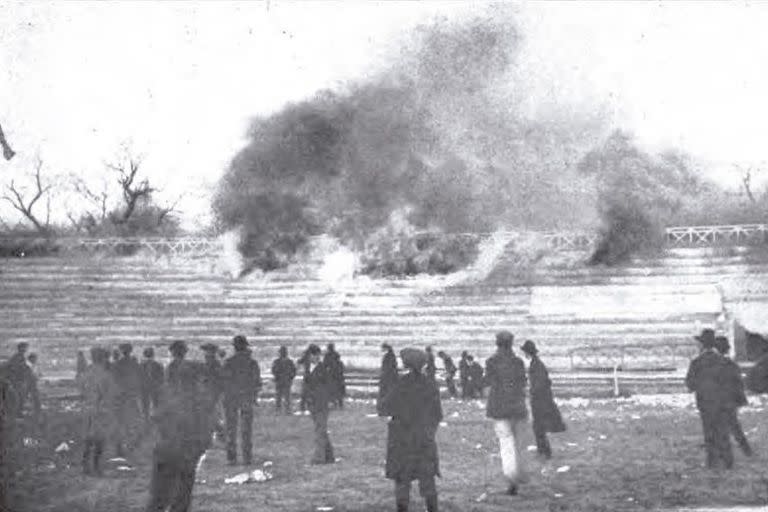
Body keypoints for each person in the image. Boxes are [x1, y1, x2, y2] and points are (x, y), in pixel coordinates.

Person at [145, 360, 215, 512]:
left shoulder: (168, 396)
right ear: (197, 379)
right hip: (187, 454)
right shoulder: (202, 400)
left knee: (158, 496)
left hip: (165, 451)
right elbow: (207, 432)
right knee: (182, 496)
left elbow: (155, 418)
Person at [381, 348, 442, 512]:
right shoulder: (430, 385)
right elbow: (438, 414)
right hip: (424, 440)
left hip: (402, 440)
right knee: (428, 479)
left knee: (402, 480)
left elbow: (384, 407)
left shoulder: (400, 385)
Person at [686, 328, 737, 470]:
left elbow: (690, 384)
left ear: (702, 345)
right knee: (723, 431)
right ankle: (728, 461)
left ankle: (712, 461)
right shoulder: (724, 361)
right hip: (722, 402)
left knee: (709, 431)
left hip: (705, 403)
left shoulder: (696, 362)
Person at [484, 331, 528, 496]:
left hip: (499, 408)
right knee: (518, 443)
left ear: (497, 343)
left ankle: (511, 477)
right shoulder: (518, 362)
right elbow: (523, 382)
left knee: (506, 443)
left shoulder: (491, 362)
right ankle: (519, 473)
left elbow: (487, 381)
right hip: (517, 406)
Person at [521, 340, 565, 459]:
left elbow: (540, 384)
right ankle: (543, 451)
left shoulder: (536, 365)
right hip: (540, 399)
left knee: (539, 426)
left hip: (540, 401)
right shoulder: (536, 364)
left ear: (527, 352)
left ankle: (545, 452)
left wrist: (532, 392)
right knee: (538, 427)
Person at [221, 335, 261, 465]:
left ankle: (231, 458)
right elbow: (257, 382)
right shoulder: (252, 363)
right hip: (246, 397)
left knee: (231, 429)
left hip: (231, 398)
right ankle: (247, 457)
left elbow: (224, 381)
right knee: (246, 429)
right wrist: (253, 395)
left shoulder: (229, 362)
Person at [80, 347, 117, 476]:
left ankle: (85, 466)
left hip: (87, 408)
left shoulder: (86, 373)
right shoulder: (106, 375)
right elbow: (111, 394)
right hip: (101, 410)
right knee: (100, 439)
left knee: (87, 439)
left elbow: (81, 390)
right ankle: (97, 467)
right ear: (102, 358)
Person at [714, 335, 752, 457]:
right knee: (734, 426)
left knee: (720, 427)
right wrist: (741, 400)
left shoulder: (711, 365)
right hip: (729, 401)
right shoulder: (731, 365)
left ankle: (723, 453)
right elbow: (738, 384)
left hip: (716, 400)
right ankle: (746, 450)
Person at [304, 344, 335, 464]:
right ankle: (329, 456)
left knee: (320, 430)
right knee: (320, 429)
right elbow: (306, 386)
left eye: (317, 355)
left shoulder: (323, 369)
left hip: (322, 403)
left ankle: (319, 457)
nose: (315, 358)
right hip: (312, 403)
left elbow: (329, 386)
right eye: (313, 355)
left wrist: (330, 401)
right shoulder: (308, 368)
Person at [112, 343, 142, 457]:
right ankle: (131, 446)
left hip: (121, 397)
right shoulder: (135, 364)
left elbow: (114, 382)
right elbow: (139, 380)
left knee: (120, 423)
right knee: (133, 422)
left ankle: (120, 447)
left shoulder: (117, 364)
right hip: (132, 397)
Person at [4, 342, 32, 417]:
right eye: (24, 348)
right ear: (20, 348)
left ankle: (17, 412)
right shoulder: (18, 357)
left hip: (18, 380)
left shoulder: (19, 357)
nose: (25, 349)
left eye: (25, 348)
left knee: (19, 396)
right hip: (17, 380)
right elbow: (14, 368)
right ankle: (17, 413)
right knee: (19, 397)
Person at [140, 348, 164, 421]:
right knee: (155, 402)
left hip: (145, 387)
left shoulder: (141, 365)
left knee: (145, 403)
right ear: (153, 355)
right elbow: (161, 377)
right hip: (154, 387)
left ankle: (146, 417)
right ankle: (154, 416)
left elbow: (139, 377)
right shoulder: (158, 365)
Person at [271, 346, 297, 415]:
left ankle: (280, 410)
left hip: (281, 381)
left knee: (281, 396)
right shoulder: (289, 362)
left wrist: (277, 376)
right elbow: (294, 371)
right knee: (285, 396)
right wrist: (290, 377)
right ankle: (286, 410)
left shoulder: (277, 361)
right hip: (285, 381)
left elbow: (273, 370)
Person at [378, 343, 399, 416]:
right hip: (390, 380)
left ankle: (384, 410)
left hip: (387, 380)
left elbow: (387, 369)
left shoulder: (388, 356)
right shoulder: (391, 356)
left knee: (385, 395)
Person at [324, 343, 346, 409]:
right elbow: (342, 370)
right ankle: (339, 404)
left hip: (331, 377)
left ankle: (334, 403)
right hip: (338, 378)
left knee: (331, 390)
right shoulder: (339, 362)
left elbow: (325, 365)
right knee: (338, 392)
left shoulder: (327, 356)